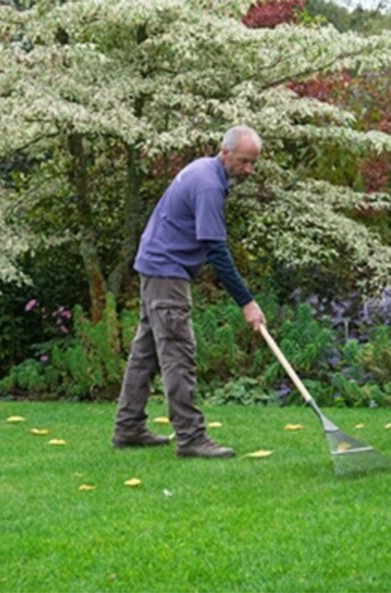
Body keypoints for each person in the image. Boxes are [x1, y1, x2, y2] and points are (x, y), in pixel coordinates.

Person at [111, 125, 267, 458]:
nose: (248, 170)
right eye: (243, 161)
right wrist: (247, 303)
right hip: (167, 271)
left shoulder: (203, 170)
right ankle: (191, 438)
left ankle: (129, 427)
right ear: (224, 152)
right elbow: (216, 251)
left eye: (253, 163)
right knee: (178, 352)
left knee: (146, 353)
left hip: (155, 266)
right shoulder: (209, 185)